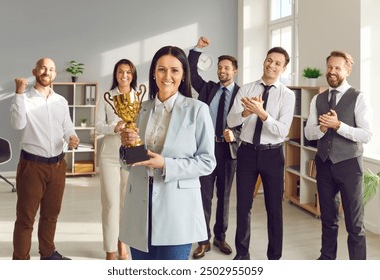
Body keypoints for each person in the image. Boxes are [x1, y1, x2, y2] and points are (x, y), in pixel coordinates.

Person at [119, 46, 216, 260]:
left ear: (183, 76)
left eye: (174, 70)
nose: (167, 76)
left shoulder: (198, 109)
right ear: (154, 72)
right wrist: (126, 148)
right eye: (161, 69)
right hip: (140, 205)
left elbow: (207, 162)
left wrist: (165, 164)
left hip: (177, 207)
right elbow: (128, 161)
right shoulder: (139, 109)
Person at [227, 47, 295, 260]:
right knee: (243, 206)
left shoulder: (287, 95)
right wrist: (247, 112)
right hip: (246, 152)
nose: (271, 66)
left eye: (277, 63)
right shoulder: (246, 89)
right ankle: (242, 254)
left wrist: (262, 114)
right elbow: (230, 121)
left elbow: (282, 131)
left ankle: (274, 258)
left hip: (272, 154)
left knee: (274, 210)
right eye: (269, 60)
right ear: (264, 62)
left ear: (283, 69)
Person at [304, 50, 372, 260]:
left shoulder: (359, 97)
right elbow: (308, 132)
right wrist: (322, 129)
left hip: (349, 166)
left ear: (347, 70)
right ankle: (327, 258)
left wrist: (339, 125)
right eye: (330, 67)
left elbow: (366, 134)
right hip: (324, 164)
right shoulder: (318, 99)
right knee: (327, 218)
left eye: (337, 68)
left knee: (354, 223)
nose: (332, 72)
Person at [10, 58, 80, 260]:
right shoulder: (24, 98)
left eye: (51, 69)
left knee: (51, 215)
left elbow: (68, 128)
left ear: (55, 75)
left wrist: (72, 138)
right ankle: (21, 260)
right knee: (25, 219)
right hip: (32, 166)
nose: (46, 72)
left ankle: (47, 253)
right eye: (43, 68)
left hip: (58, 165)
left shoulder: (61, 101)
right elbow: (17, 124)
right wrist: (18, 93)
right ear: (35, 71)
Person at [188, 36, 241, 259]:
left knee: (224, 196)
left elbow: (248, 124)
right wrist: (197, 49)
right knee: (204, 195)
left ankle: (220, 237)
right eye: (219, 68)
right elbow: (191, 72)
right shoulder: (208, 88)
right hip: (206, 149)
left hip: (228, 152)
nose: (221, 71)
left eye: (226, 68)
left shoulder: (242, 94)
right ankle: (203, 240)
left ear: (234, 71)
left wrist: (234, 135)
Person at [95, 59, 136, 260]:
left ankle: (123, 244)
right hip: (110, 154)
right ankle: (110, 249)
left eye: (128, 72)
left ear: (133, 75)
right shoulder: (106, 97)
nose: (124, 76)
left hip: (132, 154)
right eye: (121, 72)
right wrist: (115, 127)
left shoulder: (139, 97)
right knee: (110, 203)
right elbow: (97, 127)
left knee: (126, 203)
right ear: (115, 74)